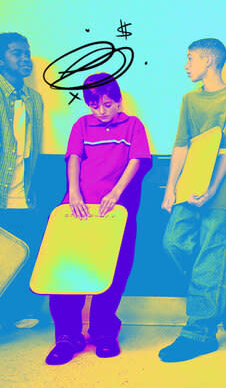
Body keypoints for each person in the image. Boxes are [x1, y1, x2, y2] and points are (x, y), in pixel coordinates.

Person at [46, 73, 151, 365]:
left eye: (107, 104)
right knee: (68, 274)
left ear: (118, 101)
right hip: (79, 210)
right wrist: (74, 194)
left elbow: (136, 160)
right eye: (95, 106)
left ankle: (103, 332)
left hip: (116, 213)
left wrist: (115, 194)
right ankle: (67, 337)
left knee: (113, 274)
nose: (101, 111)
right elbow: (74, 158)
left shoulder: (133, 125)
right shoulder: (82, 124)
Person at [158, 38, 226, 362]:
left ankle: (200, 333)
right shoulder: (189, 100)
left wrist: (212, 189)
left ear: (210, 60)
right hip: (188, 187)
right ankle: (224, 292)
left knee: (211, 260)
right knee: (174, 243)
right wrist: (170, 188)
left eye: (190, 58)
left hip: (219, 194)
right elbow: (181, 144)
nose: (186, 65)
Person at [0, 32, 46, 333]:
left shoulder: (34, 98)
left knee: (22, 254)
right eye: (17, 53)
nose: (25, 58)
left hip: (23, 192)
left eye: (27, 52)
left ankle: (14, 312)